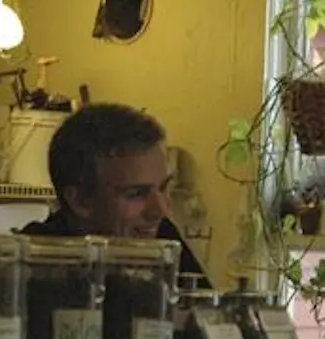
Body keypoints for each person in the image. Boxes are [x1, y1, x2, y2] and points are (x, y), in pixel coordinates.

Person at [20, 103, 210, 288]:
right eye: (136, 193)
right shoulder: (30, 268)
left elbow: (207, 315)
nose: (160, 210)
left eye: (163, 188)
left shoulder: (161, 237)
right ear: (80, 201)